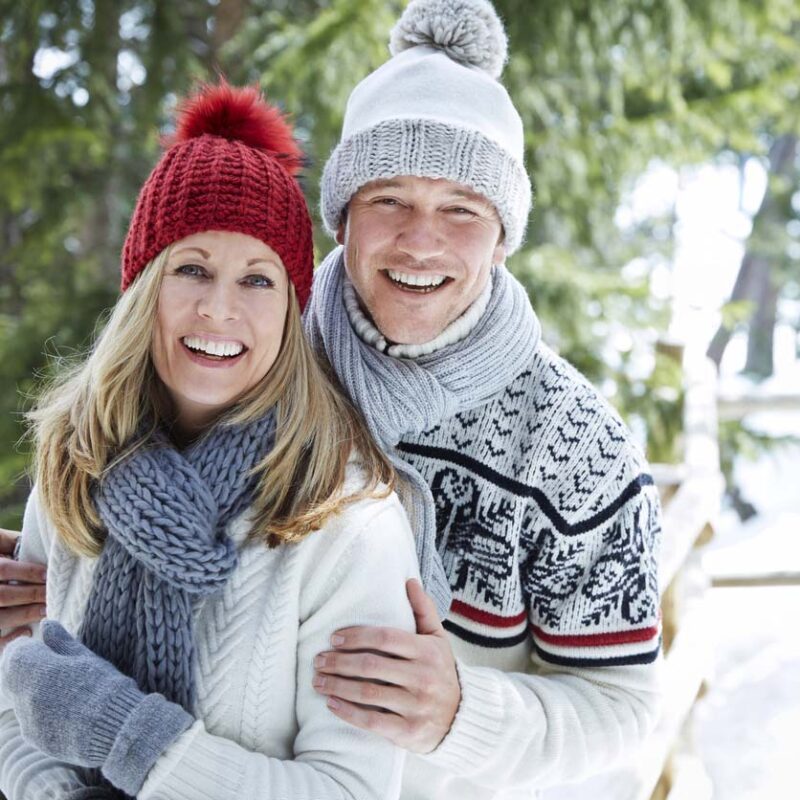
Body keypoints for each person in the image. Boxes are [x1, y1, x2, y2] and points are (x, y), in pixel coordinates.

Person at [0, 82, 419, 800]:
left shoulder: (345, 522)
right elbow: (22, 700)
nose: (219, 309)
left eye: (258, 280)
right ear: (143, 289)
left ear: (290, 313)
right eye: (191, 268)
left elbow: (350, 790)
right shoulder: (73, 468)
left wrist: (128, 736)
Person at [301, 0, 664, 795]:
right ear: (343, 219)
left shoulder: (570, 442)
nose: (420, 240)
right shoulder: (268, 369)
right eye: (389, 198)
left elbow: (624, 708)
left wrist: (462, 712)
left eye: (461, 209)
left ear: (502, 237)